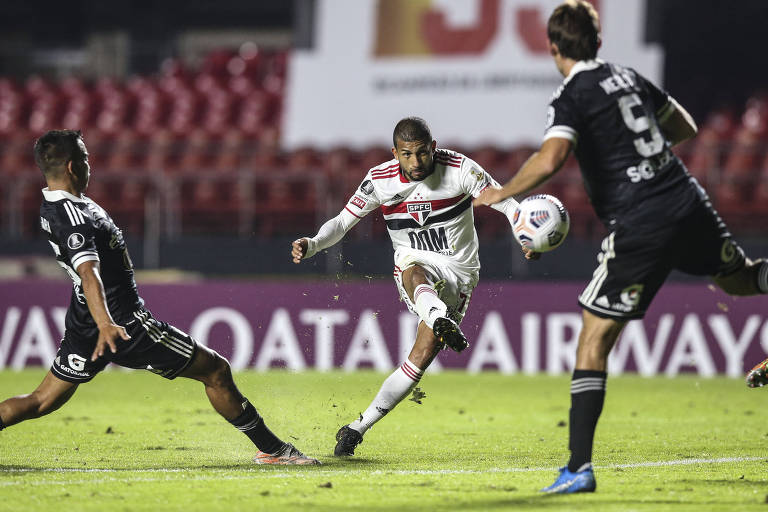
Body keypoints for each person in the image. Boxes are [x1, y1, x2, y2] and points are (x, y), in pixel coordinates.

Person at [474, 0, 768, 494]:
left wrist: (501, 192)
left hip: (641, 220)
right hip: (685, 199)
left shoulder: (571, 95)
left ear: (552, 48)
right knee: (740, 280)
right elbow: (685, 129)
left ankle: (578, 469)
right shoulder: (627, 77)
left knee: (594, 336)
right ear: (599, 42)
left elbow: (552, 158)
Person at [0, 130, 319, 466]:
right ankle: (274, 450)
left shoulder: (56, 203)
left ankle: (273, 450)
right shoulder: (73, 216)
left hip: (85, 321)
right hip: (121, 323)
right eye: (85, 157)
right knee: (215, 370)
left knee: (40, 401)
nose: (89, 163)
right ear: (72, 165)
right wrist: (107, 323)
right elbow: (89, 272)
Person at [292, 117, 522, 456]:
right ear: (395, 153)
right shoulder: (379, 180)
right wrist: (313, 243)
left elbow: (505, 202)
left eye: (422, 153)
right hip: (414, 261)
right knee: (414, 270)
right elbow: (342, 222)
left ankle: (357, 426)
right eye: (407, 154)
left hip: (460, 270)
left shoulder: (460, 169)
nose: (416, 162)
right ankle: (438, 315)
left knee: (420, 357)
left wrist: (526, 234)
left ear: (433, 147)